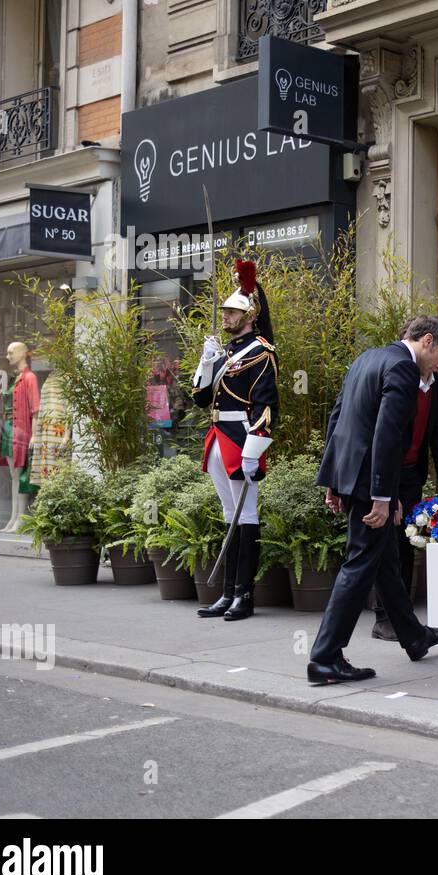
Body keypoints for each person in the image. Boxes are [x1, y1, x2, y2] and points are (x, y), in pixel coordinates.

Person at [307, 316, 438, 684]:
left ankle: (414, 636)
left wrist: (333, 481)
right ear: (426, 341)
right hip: (369, 485)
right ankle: (324, 657)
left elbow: (339, 419)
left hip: (352, 476)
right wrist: (383, 497)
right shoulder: (404, 369)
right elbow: (388, 436)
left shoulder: (366, 359)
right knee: (359, 565)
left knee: (385, 560)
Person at [191, 260, 278, 622]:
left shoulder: (261, 353)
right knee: (231, 517)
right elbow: (199, 397)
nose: (225, 316)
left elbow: (267, 405)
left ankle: (244, 595)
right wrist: (207, 362)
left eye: (232, 311)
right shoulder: (225, 351)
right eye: (225, 310)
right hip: (216, 437)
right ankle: (226, 594)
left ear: (250, 315)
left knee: (247, 516)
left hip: (241, 438)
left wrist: (254, 449)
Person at [371, 318, 438, 642]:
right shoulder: (394, 374)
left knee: (405, 543)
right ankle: (384, 617)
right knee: (383, 544)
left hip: (411, 474)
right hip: (385, 472)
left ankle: (399, 617)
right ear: (427, 343)